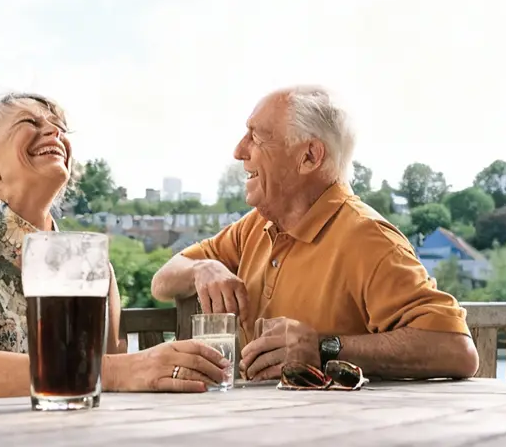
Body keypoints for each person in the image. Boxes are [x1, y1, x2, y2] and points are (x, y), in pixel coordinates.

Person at [0, 92, 229, 403]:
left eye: (59, 128)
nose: (53, 132)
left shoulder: (95, 267)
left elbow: (112, 386)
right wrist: (121, 369)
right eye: (30, 123)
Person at [151, 85, 479, 382]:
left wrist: (324, 349)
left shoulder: (368, 239)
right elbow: (162, 281)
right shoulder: (255, 225)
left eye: (256, 136)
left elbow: (457, 350)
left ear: (309, 156)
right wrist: (202, 267)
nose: (239, 150)